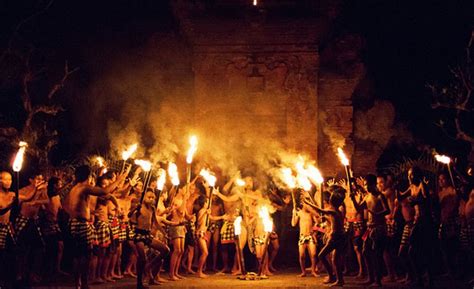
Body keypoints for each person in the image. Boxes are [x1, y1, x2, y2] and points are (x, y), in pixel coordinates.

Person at [64, 165, 129, 289]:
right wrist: (120, 179)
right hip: (81, 224)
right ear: (88, 176)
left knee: (78, 255)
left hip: (73, 223)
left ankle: (78, 283)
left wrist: (82, 212)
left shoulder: (74, 189)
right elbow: (104, 191)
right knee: (85, 254)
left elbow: (65, 205)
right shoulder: (84, 187)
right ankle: (84, 284)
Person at [351, 174, 389, 287]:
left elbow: (387, 210)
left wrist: (376, 214)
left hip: (378, 228)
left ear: (373, 184)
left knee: (376, 254)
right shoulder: (366, 197)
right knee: (365, 252)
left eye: (367, 184)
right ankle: (371, 278)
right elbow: (359, 208)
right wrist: (353, 199)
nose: (366, 186)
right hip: (369, 228)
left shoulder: (380, 196)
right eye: (365, 184)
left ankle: (377, 280)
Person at [304, 185, 346, 287]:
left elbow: (320, 211)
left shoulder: (333, 211)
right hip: (339, 237)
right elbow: (324, 215)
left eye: (330, 199)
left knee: (321, 255)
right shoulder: (336, 211)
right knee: (334, 260)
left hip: (335, 238)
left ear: (333, 202)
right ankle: (338, 280)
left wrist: (308, 203)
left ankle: (333, 276)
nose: (329, 200)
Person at [437, 172, 460, 277]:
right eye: (439, 179)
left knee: (452, 245)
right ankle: (449, 270)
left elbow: (455, 205)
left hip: (451, 221)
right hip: (443, 221)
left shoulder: (452, 190)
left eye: (443, 179)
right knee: (444, 246)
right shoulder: (440, 192)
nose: (441, 181)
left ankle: (456, 270)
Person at [291, 190, 318, 278]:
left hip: (310, 236)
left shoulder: (310, 213)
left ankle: (313, 271)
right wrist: (293, 213)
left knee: (313, 254)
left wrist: (314, 230)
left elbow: (317, 220)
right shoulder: (299, 212)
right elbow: (293, 224)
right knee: (302, 255)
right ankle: (303, 272)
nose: (304, 204)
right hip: (302, 236)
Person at [0, 171, 16, 288]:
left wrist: (35, 189)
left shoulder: (12, 194)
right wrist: (11, 204)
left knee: (10, 254)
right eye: (6, 179)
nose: (9, 182)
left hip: (7, 227)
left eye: (10, 179)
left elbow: (27, 198)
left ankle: (7, 281)